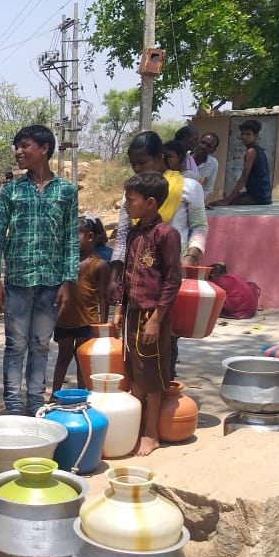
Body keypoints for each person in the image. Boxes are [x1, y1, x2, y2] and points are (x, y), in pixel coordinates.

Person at [0, 125, 79, 416]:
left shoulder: (66, 191)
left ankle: (36, 404)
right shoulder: (10, 191)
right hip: (17, 280)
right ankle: (14, 407)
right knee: (16, 346)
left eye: (24, 146)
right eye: (16, 147)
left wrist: (69, 281)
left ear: (44, 149)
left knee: (41, 345)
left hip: (52, 281)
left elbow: (70, 238)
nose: (18, 152)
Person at [110, 131, 207, 381]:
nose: (138, 168)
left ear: (159, 157)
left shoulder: (189, 187)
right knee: (136, 337)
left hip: (172, 272)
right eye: (134, 164)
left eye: (143, 163)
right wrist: (116, 272)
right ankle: (141, 390)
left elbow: (199, 227)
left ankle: (164, 388)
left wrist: (191, 258)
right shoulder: (132, 193)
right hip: (139, 275)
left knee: (166, 335)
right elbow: (123, 234)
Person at [111, 172, 181, 457]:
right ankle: (136, 428)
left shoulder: (166, 234)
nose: (126, 204)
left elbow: (173, 279)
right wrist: (118, 306)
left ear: (150, 202)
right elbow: (127, 276)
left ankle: (151, 433)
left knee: (152, 376)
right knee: (135, 372)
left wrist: (156, 319)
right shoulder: (136, 233)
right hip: (131, 312)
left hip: (152, 315)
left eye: (131, 199)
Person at [51, 217, 110, 392]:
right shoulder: (64, 264)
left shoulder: (99, 265)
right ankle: (55, 394)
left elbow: (103, 297)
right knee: (63, 357)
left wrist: (102, 325)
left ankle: (82, 395)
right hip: (64, 320)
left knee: (82, 359)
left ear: (90, 236)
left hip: (87, 321)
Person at [209, 119, 270, 207]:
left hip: (258, 197)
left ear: (256, 136)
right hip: (259, 194)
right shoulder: (257, 150)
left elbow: (243, 178)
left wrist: (227, 201)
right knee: (227, 199)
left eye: (248, 134)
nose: (244, 137)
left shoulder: (251, 152)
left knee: (224, 202)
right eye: (243, 134)